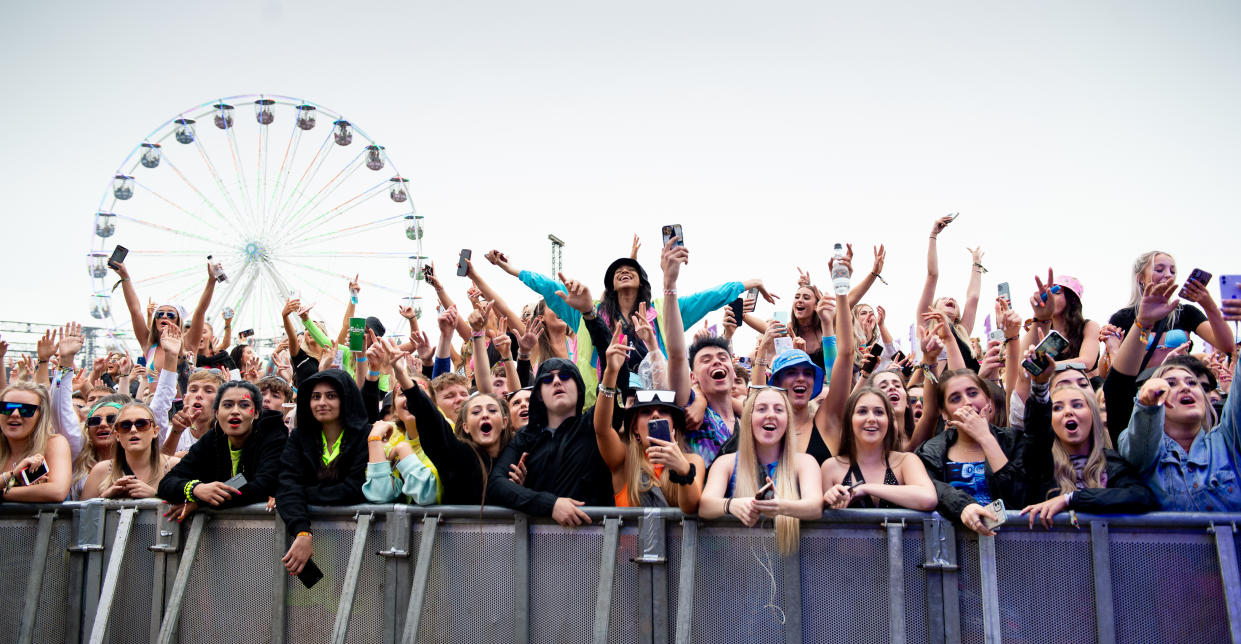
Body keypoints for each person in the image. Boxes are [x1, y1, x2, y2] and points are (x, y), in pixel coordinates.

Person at [1013, 353, 1156, 528]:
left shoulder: (1110, 462)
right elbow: (1036, 433)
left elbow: (1141, 496)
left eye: (1077, 405)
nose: (1068, 412)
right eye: (1057, 408)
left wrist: (1071, 499)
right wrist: (1040, 385)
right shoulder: (1041, 464)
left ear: (1092, 415)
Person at [488, 359, 614, 526]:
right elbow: (496, 483)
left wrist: (611, 363)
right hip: (533, 546)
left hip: (593, 543)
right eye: (547, 379)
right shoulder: (526, 436)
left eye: (565, 376)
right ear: (539, 394)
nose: (556, 381)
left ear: (579, 386)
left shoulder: (594, 426)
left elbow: (615, 383)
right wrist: (550, 505)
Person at [594, 323, 705, 512]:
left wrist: (682, 469)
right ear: (635, 427)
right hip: (630, 543)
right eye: (645, 412)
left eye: (663, 411)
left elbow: (691, 507)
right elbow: (602, 429)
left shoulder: (692, 461)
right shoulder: (624, 460)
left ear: (674, 425)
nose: (655, 414)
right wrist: (610, 372)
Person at [698, 387, 823, 555]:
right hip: (738, 568)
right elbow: (705, 505)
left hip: (791, 568)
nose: (770, 415)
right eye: (761, 409)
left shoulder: (805, 462)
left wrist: (782, 507)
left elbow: (815, 506)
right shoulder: (725, 463)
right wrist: (731, 505)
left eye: (779, 409)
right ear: (749, 418)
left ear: (787, 420)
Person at [277, 369, 371, 577]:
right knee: (311, 606)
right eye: (315, 397)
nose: (321, 402)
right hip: (310, 543)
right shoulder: (299, 438)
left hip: (357, 541)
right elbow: (287, 486)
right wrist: (302, 532)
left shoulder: (365, 435)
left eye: (331, 396)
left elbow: (357, 488)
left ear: (346, 399)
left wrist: (305, 493)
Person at [1119, 354, 1241, 512]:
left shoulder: (1228, 439)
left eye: (1192, 383)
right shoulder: (1141, 448)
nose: (1185, 387)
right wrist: (1148, 406)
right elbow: (1139, 447)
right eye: (1170, 384)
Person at [914, 361, 1023, 536]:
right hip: (954, 553)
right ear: (945, 413)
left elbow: (1019, 497)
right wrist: (963, 506)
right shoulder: (930, 452)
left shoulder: (1014, 441)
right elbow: (931, 490)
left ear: (987, 399)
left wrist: (986, 438)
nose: (967, 402)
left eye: (973, 393)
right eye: (955, 399)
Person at [158, 381, 288, 519]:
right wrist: (196, 489)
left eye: (244, 405)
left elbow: (262, 485)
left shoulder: (274, 435)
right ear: (217, 412)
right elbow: (166, 484)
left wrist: (201, 501)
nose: (235, 411)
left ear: (256, 413)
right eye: (228, 405)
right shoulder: (212, 438)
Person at [1107, 251, 1233, 372]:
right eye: (1159, 270)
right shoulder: (1123, 318)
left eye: (1173, 271)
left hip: (1178, 386)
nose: (1168, 275)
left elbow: (1227, 346)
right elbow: (1107, 372)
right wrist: (1110, 348)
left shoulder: (1186, 313)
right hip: (1142, 388)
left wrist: (1208, 304)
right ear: (1140, 278)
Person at [821, 388, 938, 511]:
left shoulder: (906, 461)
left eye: (879, 412)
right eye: (862, 411)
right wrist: (829, 499)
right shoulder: (831, 467)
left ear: (888, 421)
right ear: (849, 420)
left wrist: (865, 488)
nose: (871, 419)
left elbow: (928, 499)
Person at [82, 402, 179, 500]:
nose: (133, 430)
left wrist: (155, 495)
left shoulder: (174, 466)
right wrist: (104, 498)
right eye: (125, 425)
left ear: (155, 431)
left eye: (141, 424)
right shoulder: (101, 470)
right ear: (117, 435)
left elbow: (188, 509)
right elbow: (82, 513)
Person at [1, 382, 72, 502]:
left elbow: (57, 491)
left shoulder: (54, 443)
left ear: (40, 416)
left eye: (26, 410)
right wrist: (13, 476)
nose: (15, 414)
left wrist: (3, 492)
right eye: (7, 407)